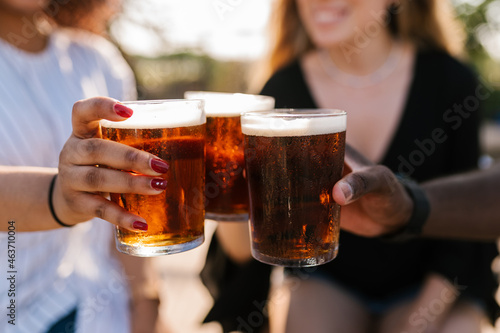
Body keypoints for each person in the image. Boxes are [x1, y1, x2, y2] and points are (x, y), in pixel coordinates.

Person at [213, 0, 499, 332]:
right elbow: (242, 253)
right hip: (326, 279)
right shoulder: (281, 89)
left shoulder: (451, 81)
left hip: (430, 282)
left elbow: (467, 232)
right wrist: (224, 186)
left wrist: (420, 320)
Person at [0, 1, 167, 332]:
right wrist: (60, 197)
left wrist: (147, 300)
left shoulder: (98, 60)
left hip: (107, 313)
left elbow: (128, 204)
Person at [334, 145, 500, 241]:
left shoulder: (452, 85)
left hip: (433, 273)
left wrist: (410, 206)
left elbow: (466, 251)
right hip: (325, 280)